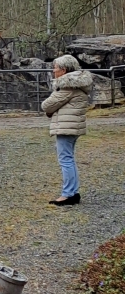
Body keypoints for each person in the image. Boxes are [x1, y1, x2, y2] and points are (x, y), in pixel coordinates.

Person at [41, 54, 93, 206]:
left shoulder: (67, 86)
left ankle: (68, 194)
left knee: (66, 160)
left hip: (66, 127)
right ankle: (73, 192)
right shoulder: (77, 85)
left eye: (55, 68)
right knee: (69, 159)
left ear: (63, 71)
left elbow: (47, 105)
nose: (53, 71)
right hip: (72, 126)